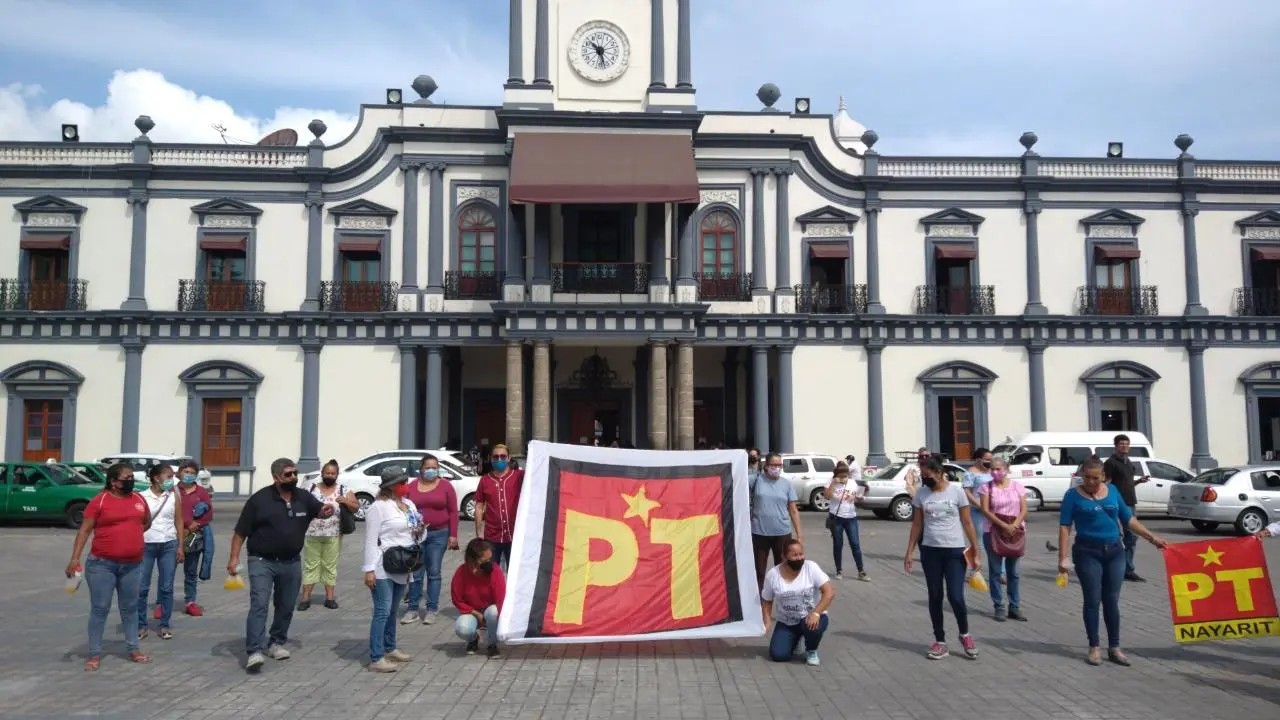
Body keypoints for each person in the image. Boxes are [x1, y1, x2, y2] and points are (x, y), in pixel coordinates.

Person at [227, 457, 334, 672]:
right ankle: (254, 651)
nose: (293, 477)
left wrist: (327, 510)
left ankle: (276, 642)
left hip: (291, 562)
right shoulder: (259, 500)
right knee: (259, 603)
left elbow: (319, 510)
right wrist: (233, 559)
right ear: (276, 477)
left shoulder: (303, 497)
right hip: (261, 561)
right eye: (288, 474)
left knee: (285, 605)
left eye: (295, 473)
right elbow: (240, 532)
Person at [1058, 458, 1166, 666]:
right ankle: (1094, 647)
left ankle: (1115, 647)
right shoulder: (1072, 496)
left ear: (1104, 477)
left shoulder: (1113, 491)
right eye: (1086, 477)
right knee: (1092, 600)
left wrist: (1152, 538)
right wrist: (1062, 558)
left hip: (1115, 551)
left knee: (1112, 600)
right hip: (1087, 552)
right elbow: (1065, 526)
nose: (1090, 482)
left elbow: (1128, 519)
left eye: (1095, 478)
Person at [66, 462, 153, 671]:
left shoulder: (139, 499)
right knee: (100, 608)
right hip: (102, 565)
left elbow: (146, 522)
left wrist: (129, 537)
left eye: (132, 477)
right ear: (114, 482)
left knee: (130, 608)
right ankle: (94, 654)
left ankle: (133, 648)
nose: (131, 481)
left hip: (132, 565)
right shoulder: (100, 501)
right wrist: (74, 558)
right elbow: (85, 531)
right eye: (126, 478)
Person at [904, 455, 981, 660]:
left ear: (939, 472)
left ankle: (965, 634)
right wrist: (910, 551)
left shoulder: (956, 491)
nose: (925, 479)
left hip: (954, 551)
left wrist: (976, 551)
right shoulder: (921, 494)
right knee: (935, 596)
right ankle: (940, 641)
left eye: (928, 475)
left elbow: (967, 523)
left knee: (955, 597)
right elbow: (917, 525)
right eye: (922, 476)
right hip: (930, 551)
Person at [362, 468, 424, 672]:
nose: (406, 485)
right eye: (402, 482)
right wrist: (369, 569)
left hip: (404, 563)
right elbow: (371, 540)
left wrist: (421, 531)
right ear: (391, 486)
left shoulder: (409, 505)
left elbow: (417, 533)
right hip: (383, 565)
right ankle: (376, 656)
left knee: (392, 610)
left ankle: (390, 646)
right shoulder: (379, 507)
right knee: (382, 610)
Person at [403, 455, 459, 625]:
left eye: (434, 467)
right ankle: (412, 608)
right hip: (417, 536)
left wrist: (453, 535)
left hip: (439, 534)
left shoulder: (446, 486)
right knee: (416, 572)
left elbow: (453, 512)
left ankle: (431, 609)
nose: (431, 470)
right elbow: (405, 510)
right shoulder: (411, 487)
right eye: (428, 467)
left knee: (434, 572)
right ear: (421, 469)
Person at [761, 539, 835, 667]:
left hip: (811, 617)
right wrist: (767, 621)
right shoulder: (773, 574)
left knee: (812, 628)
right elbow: (767, 600)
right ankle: (796, 638)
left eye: (801, 554)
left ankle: (811, 650)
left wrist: (816, 613)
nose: (799, 558)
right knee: (778, 655)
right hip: (786, 622)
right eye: (794, 555)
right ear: (784, 557)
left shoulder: (811, 567)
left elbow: (829, 592)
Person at [299, 459, 359, 611]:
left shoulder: (343, 490)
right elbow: (299, 505)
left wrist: (345, 501)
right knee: (311, 565)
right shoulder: (310, 488)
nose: (330, 476)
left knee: (330, 566)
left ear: (337, 475)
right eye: (327, 473)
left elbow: (356, 508)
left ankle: (330, 598)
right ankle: (305, 598)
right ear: (322, 473)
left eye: (333, 473)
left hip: (333, 534)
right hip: (312, 533)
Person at [137, 463, 184, 640]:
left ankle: (164, 624)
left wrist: (180, 545)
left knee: (166, 587)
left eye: (173, 476)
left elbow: (179, 521)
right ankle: (141, 624)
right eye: (169, 476)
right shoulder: (142, 497)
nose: (172, 480)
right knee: (142, 587)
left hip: (168, 544)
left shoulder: (173, 497)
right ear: (157, 478)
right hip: (146, 545)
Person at [977, 458, 1027, 621]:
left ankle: (1015, 606)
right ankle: (999, 605)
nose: (995, 472)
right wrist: (1002, 525)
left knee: (1014, 572)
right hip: (993, 531)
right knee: (996, 571)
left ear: (1006, 469)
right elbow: (984, 510)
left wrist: (1014, 525)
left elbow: (1024, 508)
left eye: (998, 469)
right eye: (992, 469)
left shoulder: (1017, 487)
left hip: (1015, 531)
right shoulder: (986, 488)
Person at [750, 452, 804, 589]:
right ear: (766, 466)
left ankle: (782, 593)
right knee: (759, 569)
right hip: (760, 532)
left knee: (782, 567)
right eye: (774, 465)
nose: (777, 467)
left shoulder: (786, 484)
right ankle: (760, 599)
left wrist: (799, 534)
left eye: (779, 465)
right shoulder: (755, 480)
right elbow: (735, 481)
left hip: (782, 532)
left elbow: (793, 509)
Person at [1103, 435, 1149, 582]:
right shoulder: (1110, 463)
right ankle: (1115, 567)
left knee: (1132, 537)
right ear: (1115, 446)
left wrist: (1138, 482)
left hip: (1130, 503)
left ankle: (1127, 569)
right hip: (1117, 504)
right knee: (1117, 536)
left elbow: (1126, 483)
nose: (1124, 446)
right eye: (1121, 444)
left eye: (1126, 444)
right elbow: (1107, 484)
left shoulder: (1128, 462)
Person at [452, 538, 506, 658]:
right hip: (472, 611)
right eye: (484, 560)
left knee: (494, 612)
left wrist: (501, 620)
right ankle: (473, 639)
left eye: (490, 559)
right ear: (473, 560)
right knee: (462, 628)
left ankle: (492, 644)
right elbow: (457, 599)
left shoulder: (495, 571)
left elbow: (500, 599)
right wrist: (476, 614)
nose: (489, 562)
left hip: (490, 609)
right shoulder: (461, 572)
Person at [474, 444, 524, 571]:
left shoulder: (520, 476)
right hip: (492, 536)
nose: (499, 460)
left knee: (515, 572)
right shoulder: (485, 480)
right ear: (491, 458)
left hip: (515, 535)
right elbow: (479, 506)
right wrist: (479, 534)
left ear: (509, 458)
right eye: (496, 457)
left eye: (503, 456)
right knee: (491, 572)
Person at [177, 460, 213, 617]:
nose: (189, 475)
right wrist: (185, 524)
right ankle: (161, 603)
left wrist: (196, 524)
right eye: (186, 472)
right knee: (168, 573)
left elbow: (209, 513)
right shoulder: (173, 491)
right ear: (179, 473)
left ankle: (190, 602)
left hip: (193, 537)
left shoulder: (201, 492)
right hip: (174, 536)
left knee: (190, 572)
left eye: (192, 473)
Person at [823, 461, 868, 581]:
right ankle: (839, 570)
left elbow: (860, 498)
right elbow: (826, 496)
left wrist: (857, 498)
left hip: (851, 517)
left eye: (845, 476)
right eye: (841, 476)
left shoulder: (853, 483)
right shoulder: (830, 482)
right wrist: (833, 483)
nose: (843, 479)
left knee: (855, 544)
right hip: (836, 517)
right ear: (836, 475)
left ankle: (861, 571)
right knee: (838, 544)